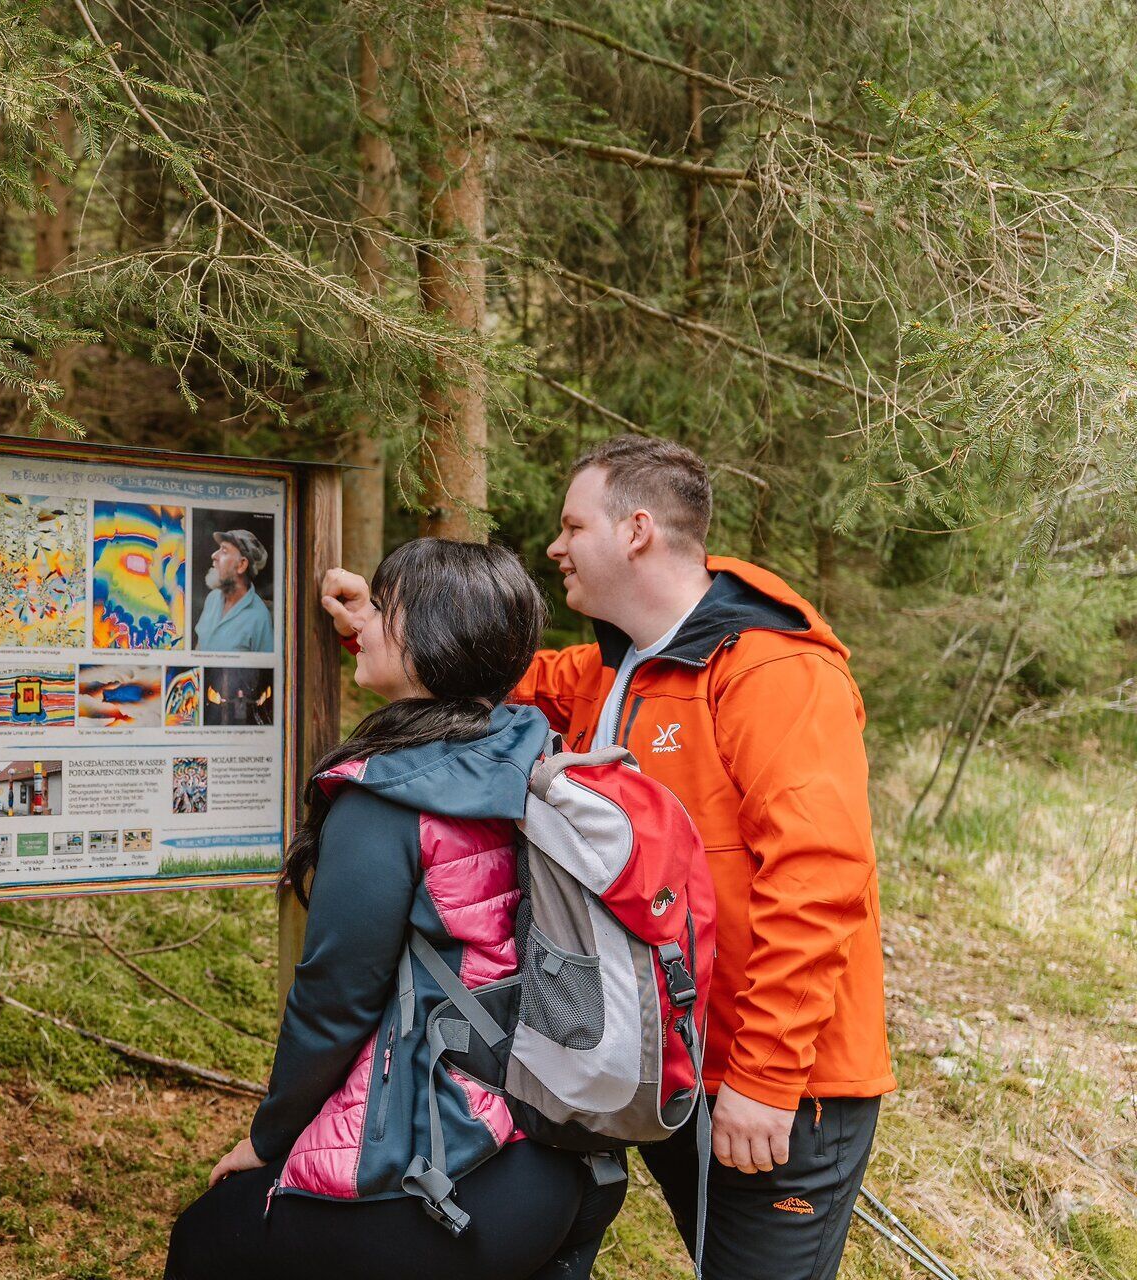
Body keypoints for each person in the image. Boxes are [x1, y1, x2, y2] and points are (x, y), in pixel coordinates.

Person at [320, 435, 893, 1280]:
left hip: (777, 1085)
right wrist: (380, 621)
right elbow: (473, 669)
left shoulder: (773, 675)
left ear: (634, 532)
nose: (553, 547)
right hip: (667, 1068)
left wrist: (766, 1082)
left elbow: (819, 882)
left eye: (570, 525)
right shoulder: (611, 672)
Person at [166, 538, 625, 1280]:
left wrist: (268, 1141)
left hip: (451, 1170)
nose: (367, 627)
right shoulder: (528, 752)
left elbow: (333, 1004)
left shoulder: (387, 803)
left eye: (382, 611)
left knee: (208, 1238)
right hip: (556, 1154)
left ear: (427, 638)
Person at [194, 528, 274, 652]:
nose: (214, 555)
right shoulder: (212, 598)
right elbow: (199, 648)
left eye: (224, 551)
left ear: (241, 565)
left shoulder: (260, 617)